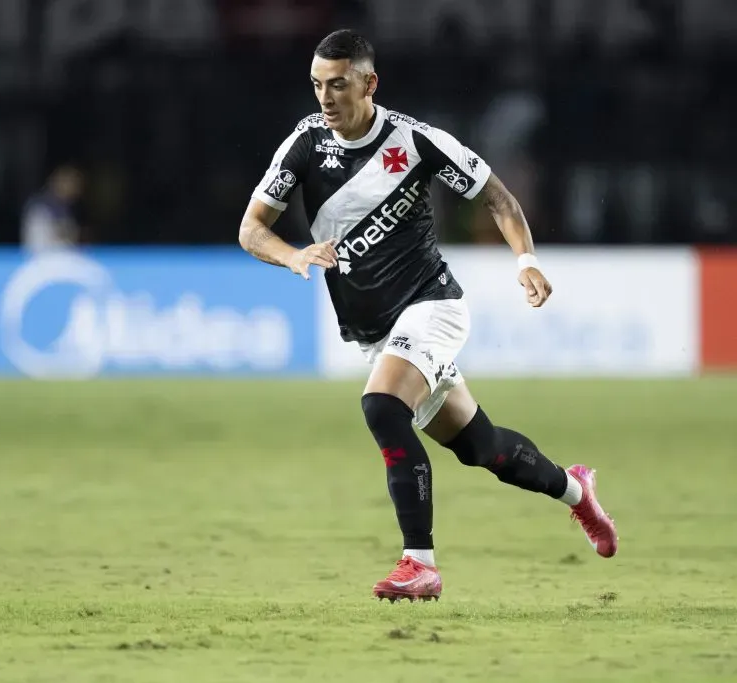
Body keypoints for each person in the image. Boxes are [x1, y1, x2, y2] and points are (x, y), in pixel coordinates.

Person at [237, 29, 618, 603]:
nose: (325, 97)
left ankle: (420, 564)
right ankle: (575, 490)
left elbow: (499, 199)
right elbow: (251, 229)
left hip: (431, 305)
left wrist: (526, 262)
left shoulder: (416, 142)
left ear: (369, 83)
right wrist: (293, 255)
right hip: (374, 330)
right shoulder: (304, 145)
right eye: (317, 85)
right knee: (482, 447)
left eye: (338, 84)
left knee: (381, 407)